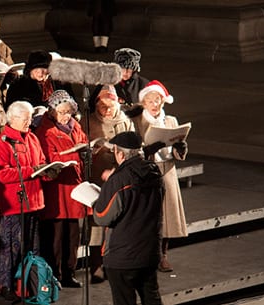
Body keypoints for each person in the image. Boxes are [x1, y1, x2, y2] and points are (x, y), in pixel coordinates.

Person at [0, 101, 56, 302]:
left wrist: (48, 172)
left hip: (34, 201)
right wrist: (33, 171)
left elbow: (41, 162)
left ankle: (28, 282)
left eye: (29, 117)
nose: (29, 121)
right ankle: (4, 284)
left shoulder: (33, 138)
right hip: (13, 205)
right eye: (25, 118)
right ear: (13, 119)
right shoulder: (2, 142)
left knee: (32, 247)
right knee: (10, 248)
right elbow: (1, 174)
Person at [93, 131, 164, 305]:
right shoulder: (155, 173)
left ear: (120, 154)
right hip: (150, 251)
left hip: (123, 255)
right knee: (152, 298)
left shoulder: (118, 180)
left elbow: (102, 217)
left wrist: (98, 199)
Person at [132, 80, 188, 273]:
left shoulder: (170, 120)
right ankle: (147, 255)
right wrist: (148, 150)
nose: (155, 105)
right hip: (148, 172)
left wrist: (180, 149)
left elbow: (176, 150)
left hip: (167, 172)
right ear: (144, 103)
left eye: (159, 100)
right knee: (149, 216)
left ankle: (163, 255)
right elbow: (134, 150)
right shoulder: (138, 122)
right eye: (151, 101)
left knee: (168, 216)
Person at [34, 90, 89, 289]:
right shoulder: (45, 131)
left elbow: (83, 143)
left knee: (73, 234)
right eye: (62, 112)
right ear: (52, 111)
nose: (67, 115)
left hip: (74, 186)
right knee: (56, 236)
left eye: (69, 111)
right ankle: (54, 273)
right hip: (57, 189)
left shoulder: (76, 127)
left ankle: (69, 272)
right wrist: (70, 157)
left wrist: (86, 152)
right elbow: (47, 157)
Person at [85, 84, 134, 283]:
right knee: (97, 223)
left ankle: (118, 265)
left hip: (121, 180)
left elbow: (134, 148)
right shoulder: (87, 122)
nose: (106, 110)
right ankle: (96, 265)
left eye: (110, 106)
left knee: (121, 224)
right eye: (103, 106)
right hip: (98, 178)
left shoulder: (126, 122)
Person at [5, 50, 73, 110]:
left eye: (44, 69)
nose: (40, 73)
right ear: (30, 69)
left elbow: (69, 100)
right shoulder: (17, 85)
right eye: (37, 69)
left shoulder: (56, 82)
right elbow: (11, 110)